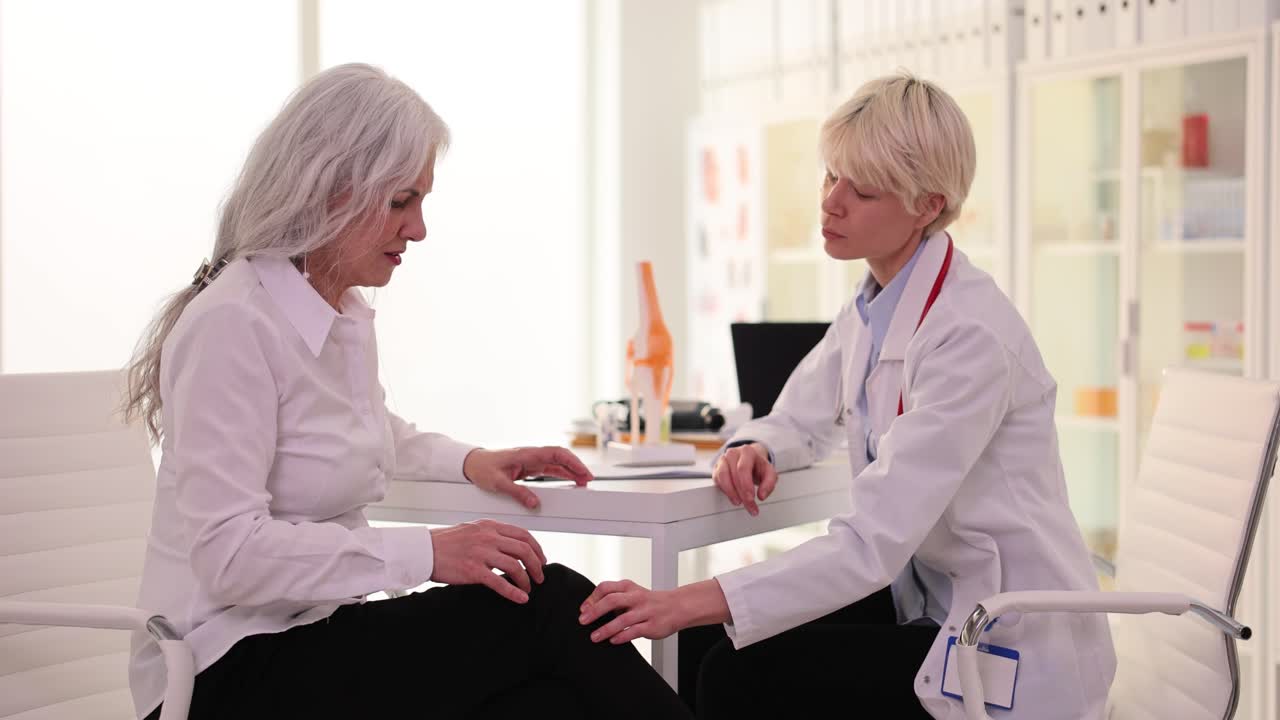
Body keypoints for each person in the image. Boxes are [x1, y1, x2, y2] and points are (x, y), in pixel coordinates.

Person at [123, 63, 691, 720]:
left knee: (547, 701)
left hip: (313, 637)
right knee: (551, 602)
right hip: (225, 669)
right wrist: (428, 553)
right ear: (330, 191)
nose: (418, 229)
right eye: (401, 202)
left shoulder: (333, 309)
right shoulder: (231, 324)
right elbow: (230, 555)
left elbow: (357, 431)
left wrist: (471, 461)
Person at [577, 72, 1117, 719]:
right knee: (707, 649)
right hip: (929, 597)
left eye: (861, 190)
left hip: (1003, 637)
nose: (831, 202)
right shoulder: (874, 305)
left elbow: (872, 542)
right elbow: (802, 416)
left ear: (927, 204)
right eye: (831, 176)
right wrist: (756, 444)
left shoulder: (969, 335)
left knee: (733, 674)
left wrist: (681, 600)